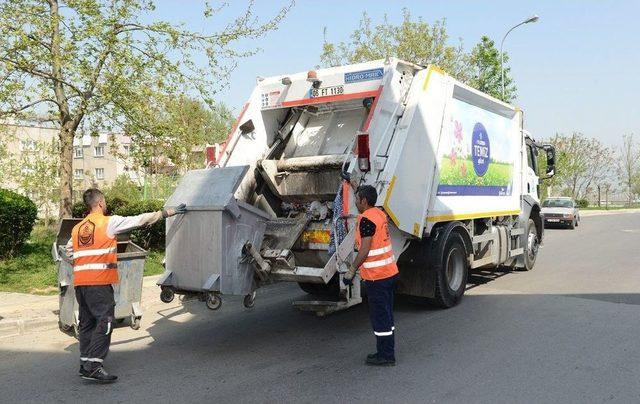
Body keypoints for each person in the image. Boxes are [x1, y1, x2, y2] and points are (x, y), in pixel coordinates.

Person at [65, 188, 186, 383]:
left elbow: (69, 251)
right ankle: (94, 366)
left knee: (87, 323)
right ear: (100, 204)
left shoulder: (78, 228)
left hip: (81, 283)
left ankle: (85, 363)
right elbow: (139, 220)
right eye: (104, 202)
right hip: (99, 282)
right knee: (106, 321)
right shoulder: (108, 222)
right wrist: (166, 213)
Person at [343, 185, 399, 366]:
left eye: (357, 199)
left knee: (380, 317)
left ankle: (386, 356)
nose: (356, 202)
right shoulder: (380, 214)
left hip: (377, 277)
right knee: (387, 316)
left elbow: (365, 249)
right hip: (389, 273)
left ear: (364, 201)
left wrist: (352, 270)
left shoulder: (367, 219)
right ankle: (387, 350)